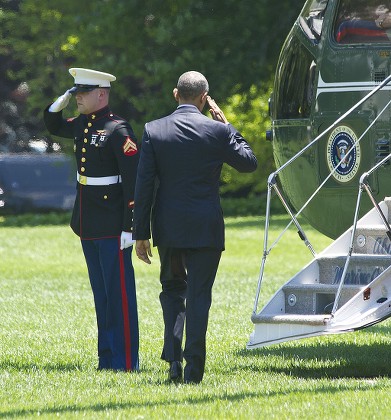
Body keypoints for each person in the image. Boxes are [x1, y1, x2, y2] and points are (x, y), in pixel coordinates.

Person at [133, 71, 257, 383]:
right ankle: (194, 370)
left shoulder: (154, 130)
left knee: (173, 291)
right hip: (206, 226)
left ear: (176, 94)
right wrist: (228, 126)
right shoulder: (217, 131)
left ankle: (174, 362)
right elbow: (248, 162)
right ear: (204, 98)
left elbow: (144, 186)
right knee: (199, 295)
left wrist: (141, 233)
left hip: (169, 226)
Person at [43, 68, 139, 371]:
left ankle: (124, 362)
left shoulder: (117, 130)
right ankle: (106, 358)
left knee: (119, 296)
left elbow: (133, 181)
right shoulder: (84, 124)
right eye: (75, 93)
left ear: (102, 94)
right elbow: (53, 124)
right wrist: (60, 101)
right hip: (88, 220)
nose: (77, 98)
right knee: (102, 295)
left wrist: (129, 226)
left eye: (82, 93)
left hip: (113, 223)